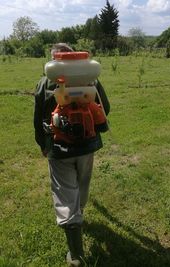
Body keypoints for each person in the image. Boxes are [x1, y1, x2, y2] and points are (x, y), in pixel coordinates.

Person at [34, 43, 110, 266]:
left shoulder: (45, 82)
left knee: (65, 193)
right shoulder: (91, 79)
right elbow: (106, 107)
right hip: (87, 146)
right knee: (83, 183)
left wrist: (43, 144)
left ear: (55, 61)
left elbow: (38, 118)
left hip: (59, 149)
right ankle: (80, 212)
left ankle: (76, 256)